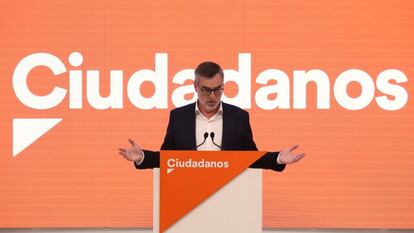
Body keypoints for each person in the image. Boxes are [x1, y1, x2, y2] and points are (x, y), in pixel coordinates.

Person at [119, 61, 305, 171]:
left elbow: (251, 158)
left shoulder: (239, 117)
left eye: (218, 89)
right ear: (195, 87)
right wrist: (142, 157)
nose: (212, 96)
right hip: (188, 198)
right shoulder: (179, 117)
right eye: (206, 90)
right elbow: (167, 158)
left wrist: (278, 158)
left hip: (229, 196)